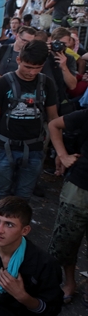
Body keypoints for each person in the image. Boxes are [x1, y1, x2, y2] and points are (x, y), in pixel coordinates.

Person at [0, 41, 58, 206]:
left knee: (24, 194)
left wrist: (59, 152)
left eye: (37, 68)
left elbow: (53, 119)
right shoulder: (3, 83)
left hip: (34, 149)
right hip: (5, 147)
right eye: (28, 67)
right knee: (1, 191)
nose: (32, 72)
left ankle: (18, 223)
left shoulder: (47, 84)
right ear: (18, 60)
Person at [48, 109, 88, 303]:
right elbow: (54, 125)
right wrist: (63, 155)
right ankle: (69, 282)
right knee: (65, 242)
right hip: (79, 189)